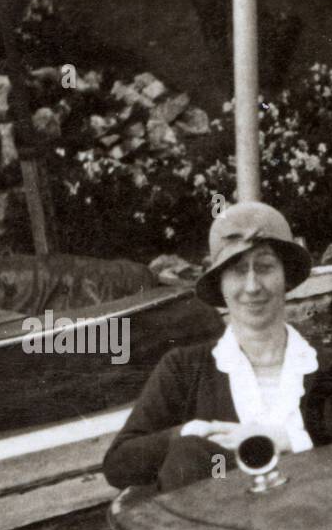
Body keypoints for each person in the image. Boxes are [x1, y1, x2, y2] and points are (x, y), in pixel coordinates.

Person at [102, 201, 317, 491]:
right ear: (221, 284)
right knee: (188, 454)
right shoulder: (185, 368)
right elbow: (118, 465)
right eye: (238, 271)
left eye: (265, 267)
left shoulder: (329, 366)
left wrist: (289, 439)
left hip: (317, 523)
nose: (252, 286)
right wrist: (189, 432)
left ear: (286, 278)